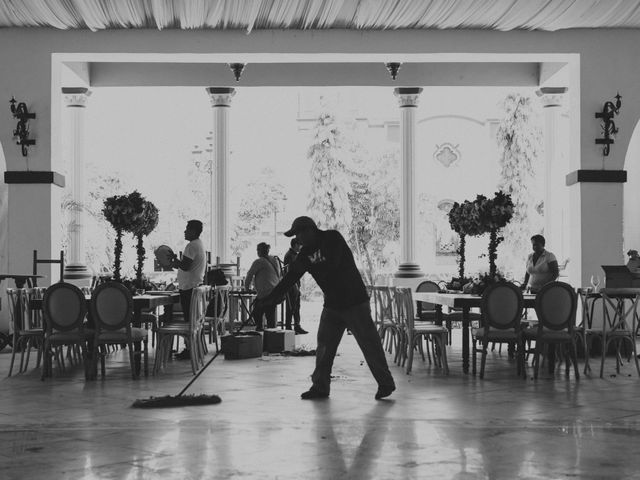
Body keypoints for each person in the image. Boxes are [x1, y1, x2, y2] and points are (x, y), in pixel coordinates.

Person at [256, 216, 395, 401]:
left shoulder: (332, 238)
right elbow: (290, 279)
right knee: (324, 346)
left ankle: (385, 384)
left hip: (354, 301)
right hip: (332, 305)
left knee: (369, 344)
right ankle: (320, 387)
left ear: (309, 230)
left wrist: (307, 264)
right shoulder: (305, 253)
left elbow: (333, 265)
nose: (297, 239)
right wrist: (269, 299)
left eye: (298, 234)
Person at [170, 219, 206, 359]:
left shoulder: (191, 246)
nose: (185, 231)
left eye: (187, 228)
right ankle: (195, 347)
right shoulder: (199, 244)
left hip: (188, 288)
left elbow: (185, 266)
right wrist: (176, 261)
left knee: (188, 320)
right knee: (194, 319)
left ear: (193, 231)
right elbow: (186, 266)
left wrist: (175, 261)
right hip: (194, 286)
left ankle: (189, 349)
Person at [245, 242, 281, 331]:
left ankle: (260, 329)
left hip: (266, 293)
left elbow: (249, 275)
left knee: (257, 311)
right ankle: (271, 333)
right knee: (270, 313)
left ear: (259, 251)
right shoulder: (274, 260)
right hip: (276, 291)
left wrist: (246, 288)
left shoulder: (259, 261)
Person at [283, 238, 308, 335]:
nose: (300, 247)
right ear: (295, 245)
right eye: (299, 245)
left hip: (296, 283)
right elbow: (289, 272)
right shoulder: (289, 255)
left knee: (297, 306)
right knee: (291, 307)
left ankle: (297, 326)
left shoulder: (295, 255)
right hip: (291, 284)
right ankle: (289, 328)